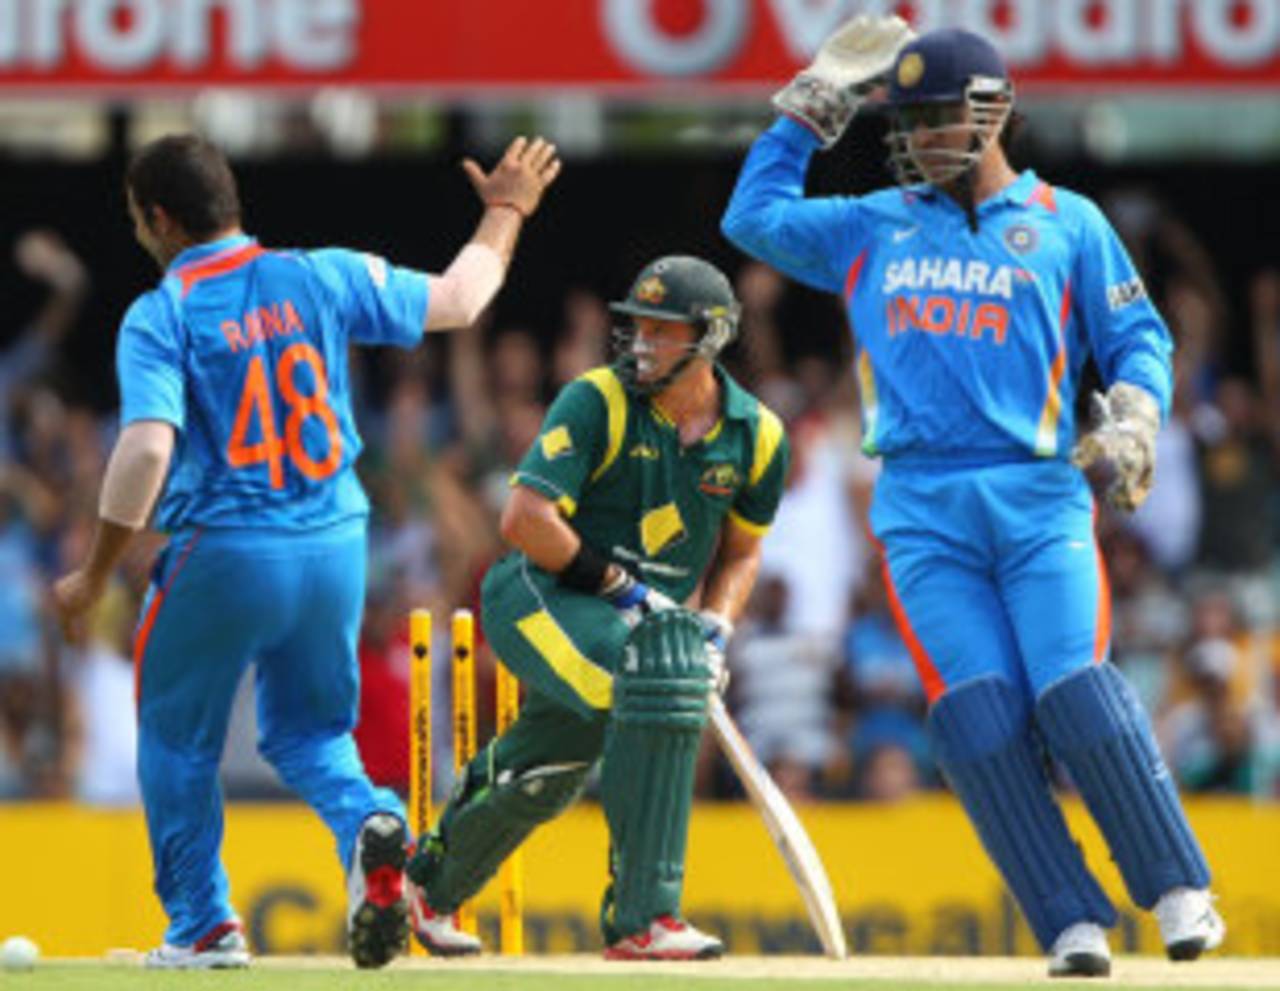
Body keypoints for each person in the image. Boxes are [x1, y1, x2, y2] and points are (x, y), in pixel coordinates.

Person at [722, 17, 1225, 978]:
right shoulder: (874, 221)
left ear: (992, 115)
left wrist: (1135, 417)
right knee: (980, 717)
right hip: (922, 511)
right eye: (904, 117)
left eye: (933, 115)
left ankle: (1175, 887)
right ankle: (1069, 920)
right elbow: (753, 218)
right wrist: (809, 109)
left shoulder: (1068, 222)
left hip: (1039, 497)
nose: (913, 135)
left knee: (1072, 689)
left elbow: (1140, 342)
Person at [49, 132, 561, 969]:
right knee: (314, 732)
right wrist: (506, 210)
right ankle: (370, 833)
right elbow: (464, 299)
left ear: (160, 219)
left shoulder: (164, 311)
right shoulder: (322, 273)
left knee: (176, 738)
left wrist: (96, 572)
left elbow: (145, 450)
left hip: (226, 547)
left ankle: (204, 924)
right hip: (334, 543)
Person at [404, 256, 790, 959]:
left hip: (629, 629)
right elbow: (525, 519)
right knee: (655, 681)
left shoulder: (758, 436)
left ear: (711, 336)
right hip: (538, 595)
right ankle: (645, 916)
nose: (640, 343)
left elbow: (741, 554)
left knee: (544, 777)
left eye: (661, 330)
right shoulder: (598, 399)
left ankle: (427, 884)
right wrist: (624, 589)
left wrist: (716, 627)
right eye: (636, 326)